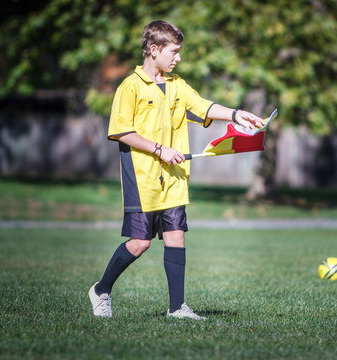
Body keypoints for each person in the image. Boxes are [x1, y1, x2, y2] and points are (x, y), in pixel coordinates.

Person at [88, 20, 265, 320]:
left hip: (174, 179)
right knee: (140, 243)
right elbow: (121, 132)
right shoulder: (129, 87)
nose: (178, 58)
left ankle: (176, 308)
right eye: (174, 51)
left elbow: (203, 107)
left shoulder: (177, 85)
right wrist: (159, 150)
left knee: (176, 236)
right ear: (154, 50)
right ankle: (101, 290)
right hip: (142, 179)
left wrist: (237, 115)